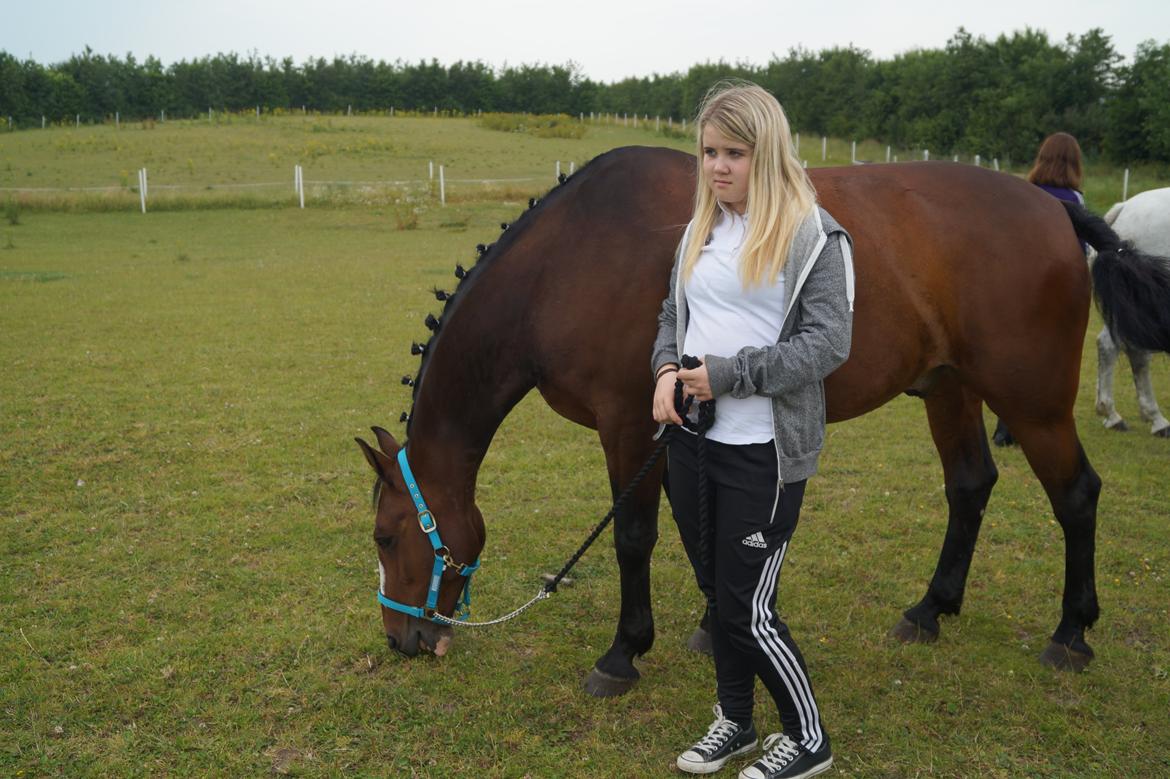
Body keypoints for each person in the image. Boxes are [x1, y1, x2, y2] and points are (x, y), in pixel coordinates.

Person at [651, 81, 854, 779]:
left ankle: (808, 738)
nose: (718, 167)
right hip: (691, 443)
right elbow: (671, 317)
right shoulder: (698, 230)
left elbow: (828, 345)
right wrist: (663, 372)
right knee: (718, 595)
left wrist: (729, 375)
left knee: (748, 608)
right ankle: (735, 720)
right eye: (709, 152)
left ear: (766, 153)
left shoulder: (813, 236)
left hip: (763, 454)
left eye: (734, 152)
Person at [993, 131, 1085, 447]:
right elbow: (1080, 251)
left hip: (1013, 287)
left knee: (1008, 359)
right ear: (1074, 162)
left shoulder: (1023, 193)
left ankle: (1004, 426)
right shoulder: (1075, 201)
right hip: (1053, 290)